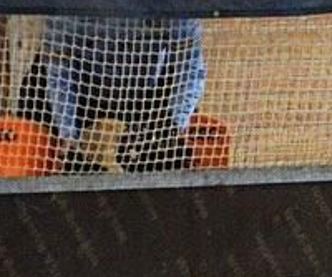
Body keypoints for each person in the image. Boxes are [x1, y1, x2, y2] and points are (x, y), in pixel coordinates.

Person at [18, 16, 207, 174]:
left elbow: (189, 62)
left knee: (171, 152)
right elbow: (59, 67)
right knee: (34, 93)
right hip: (82, 88)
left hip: (146, 95)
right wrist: (67, 134)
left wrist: (175, 125)